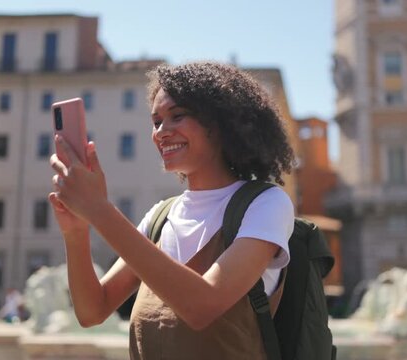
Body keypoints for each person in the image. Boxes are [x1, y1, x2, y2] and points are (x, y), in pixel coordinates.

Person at [49, 62, 295, 359]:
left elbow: (203, 306)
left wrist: (99, 210)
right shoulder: (159, 217)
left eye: (177, 116)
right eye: (156, 122)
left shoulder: (267, 203)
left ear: (221, 124)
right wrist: (75, 230)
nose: (161, 132)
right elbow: (92, 311)